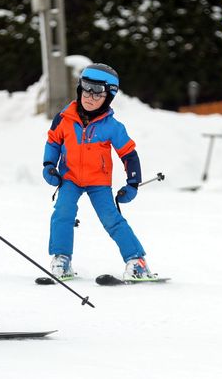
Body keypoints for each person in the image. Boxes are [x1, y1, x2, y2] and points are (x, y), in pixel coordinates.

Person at [42, 63, 156, 281]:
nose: (90, 97)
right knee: (62, 214)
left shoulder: (112, 126)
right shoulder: (64, 119)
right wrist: (49, 165)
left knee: (111, 219)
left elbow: (129, 154)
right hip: (69, 178)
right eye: (86, 89)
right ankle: (61, 259)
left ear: (109, 96)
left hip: (98, 182)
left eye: (98, 92)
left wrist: (132, 183)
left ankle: (137, 262)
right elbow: (53, 142)